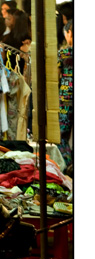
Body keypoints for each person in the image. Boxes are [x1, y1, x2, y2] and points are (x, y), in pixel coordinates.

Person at [58, 19, 73, 170]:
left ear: (69, 33)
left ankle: (68, 164)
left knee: (62, 134)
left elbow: (55, 77)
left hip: (66, 97)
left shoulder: (63, 53)